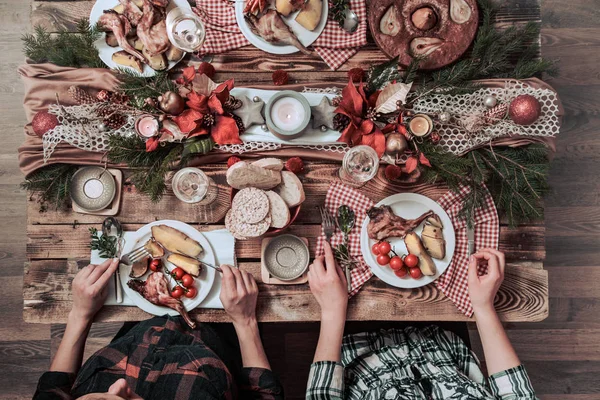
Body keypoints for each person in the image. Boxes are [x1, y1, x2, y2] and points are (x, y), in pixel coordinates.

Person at [306, 242, 537, 399]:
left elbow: (321, 395)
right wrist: (484, 306)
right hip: (442, 339)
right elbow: (517, 393)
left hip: (355, 338)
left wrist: (332, 311)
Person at [33, 259, 283, 400]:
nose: (118, 386)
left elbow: (53, 388)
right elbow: (263, 394)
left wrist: (79, 314)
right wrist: (246, 321)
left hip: (137, 333)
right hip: (220, 346)